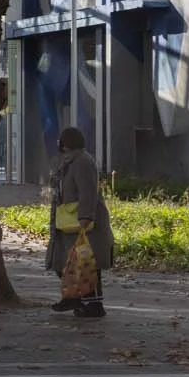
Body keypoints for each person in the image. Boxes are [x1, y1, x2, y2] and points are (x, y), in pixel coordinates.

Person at [45, 125, 114, 319]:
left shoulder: (82, 162)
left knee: (85, 262)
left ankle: (92, 304)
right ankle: (77, 298)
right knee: (70, 263)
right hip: (68, 220)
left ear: (66, 144)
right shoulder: (69, 162)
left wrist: (85, 217)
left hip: (83, 222)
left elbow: (87, 191)